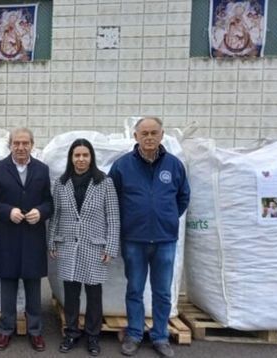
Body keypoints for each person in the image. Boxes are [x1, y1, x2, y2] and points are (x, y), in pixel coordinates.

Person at [108, 117, 190, 358]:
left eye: (154, 132)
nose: (149, 137)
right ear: (135, 137)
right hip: (134, 239)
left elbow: (183, 197)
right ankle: (134, 334)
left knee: (162, 291)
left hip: (165, 240)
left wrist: (168, 218)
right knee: (134, 288)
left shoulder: (174, 165)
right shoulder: (122, 166)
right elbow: (112, 200)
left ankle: (160, 336)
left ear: (161, 135)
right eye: (144, 133)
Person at [0, 127, 53, 352]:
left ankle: (35, 331)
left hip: (33, 237)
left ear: (32, 144)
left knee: (33, 287)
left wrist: (40, 212)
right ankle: (5, 330)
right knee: (8, 286)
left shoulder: (42, 170)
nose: (21, 147)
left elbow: (49, 203)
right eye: (16, 143)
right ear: (10, 145)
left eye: (25, 143)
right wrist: (7, 211)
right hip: (8, 238)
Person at [47, 138, 120, 356]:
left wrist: (111, 246)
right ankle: (71, 333)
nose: (81, 159)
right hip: (69, 245)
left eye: (85, 155)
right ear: (71, 158)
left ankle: (93, 336)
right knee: (71, 293)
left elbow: (113, 217)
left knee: (94, 293)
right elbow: (56, 215)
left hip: (94, 246)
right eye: (77, 155)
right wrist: (52, 241)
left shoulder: (104, 182)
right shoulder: (61, 184)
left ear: (91, 158)